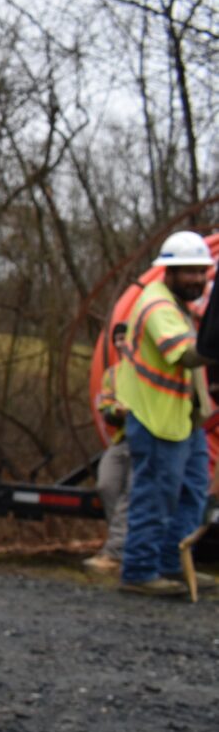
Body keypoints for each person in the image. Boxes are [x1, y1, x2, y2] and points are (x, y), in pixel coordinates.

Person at [115, 231, 217, 596]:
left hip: (183, 420)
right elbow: (187, 355)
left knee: (192, 493)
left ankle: (174, 564)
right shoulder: (157, 306)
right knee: (156, 496)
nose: (197, 279)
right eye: (189, 271)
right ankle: (140, 571)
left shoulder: (179, 304)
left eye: (202, 272)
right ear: (168, 272)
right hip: (156, 419)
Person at [85, 323, 132, 574]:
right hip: (121, 438)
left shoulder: (144, 372)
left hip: (145, 438)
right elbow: (106, 406)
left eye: (125, 337)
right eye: (118, 339)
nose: (121, 343)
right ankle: (123, 543)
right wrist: (117, 412)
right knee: (106, 485)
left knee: (130, 494)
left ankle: (116, 551)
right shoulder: (112, 375)